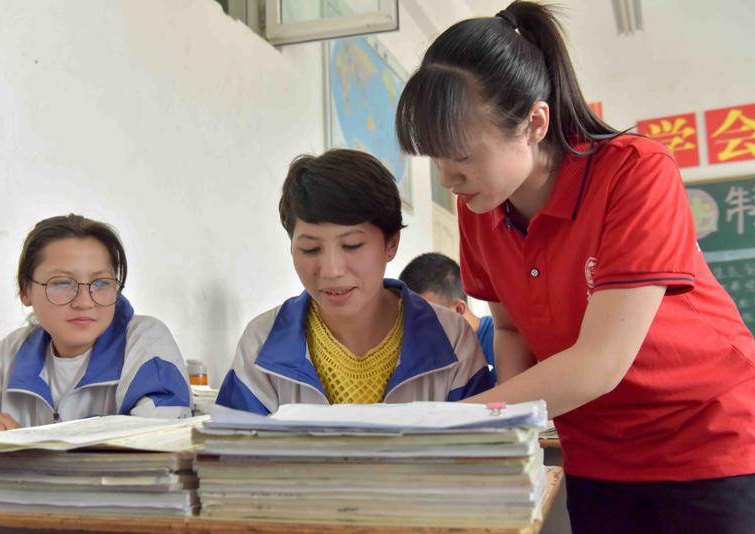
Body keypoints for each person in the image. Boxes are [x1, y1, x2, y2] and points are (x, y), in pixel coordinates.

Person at [394, 2, 755, 533]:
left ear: (535, 123)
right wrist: (512, 427)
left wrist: (451, 422)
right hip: (596, 452)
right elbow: (511, 329)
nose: (448, 177)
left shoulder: (635, 173)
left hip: (706, 439)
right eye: (435, 158)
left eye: (462, 156)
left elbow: (600, 363)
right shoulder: (478, 206)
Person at [216, 149, 491, 415]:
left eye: (352, 245)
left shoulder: (451, 339)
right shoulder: (262, 342)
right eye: (310, 249)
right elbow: (235, 444)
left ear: (391, 244)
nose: (331, 271)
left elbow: (479, 442)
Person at [0, 214, 192, 429]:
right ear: (25, 291)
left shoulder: (145, 343)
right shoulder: (11, 354)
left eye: (101, 283)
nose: (84, 302)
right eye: (62, 283)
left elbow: (159, 441)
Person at [399, 252, 496, 387]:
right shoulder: (429, 355)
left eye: (429, 318)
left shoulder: (503, 339)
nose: (420, 330)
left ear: (459, 309)